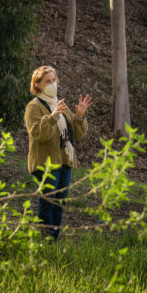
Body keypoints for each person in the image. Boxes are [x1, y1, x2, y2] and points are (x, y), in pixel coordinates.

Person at [24, 66, 92, 240]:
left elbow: (76, 134)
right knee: (48, 202)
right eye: (47, 81)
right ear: (37, 85)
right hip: (45, 163)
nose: (52, 84)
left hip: (64, 162)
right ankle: (47, 241)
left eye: (54, 80)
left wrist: (79, 116)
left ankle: (54, 239)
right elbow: (39, 133)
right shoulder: (34, 106)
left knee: (59, 203)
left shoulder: (60, 105)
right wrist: (52, 116)